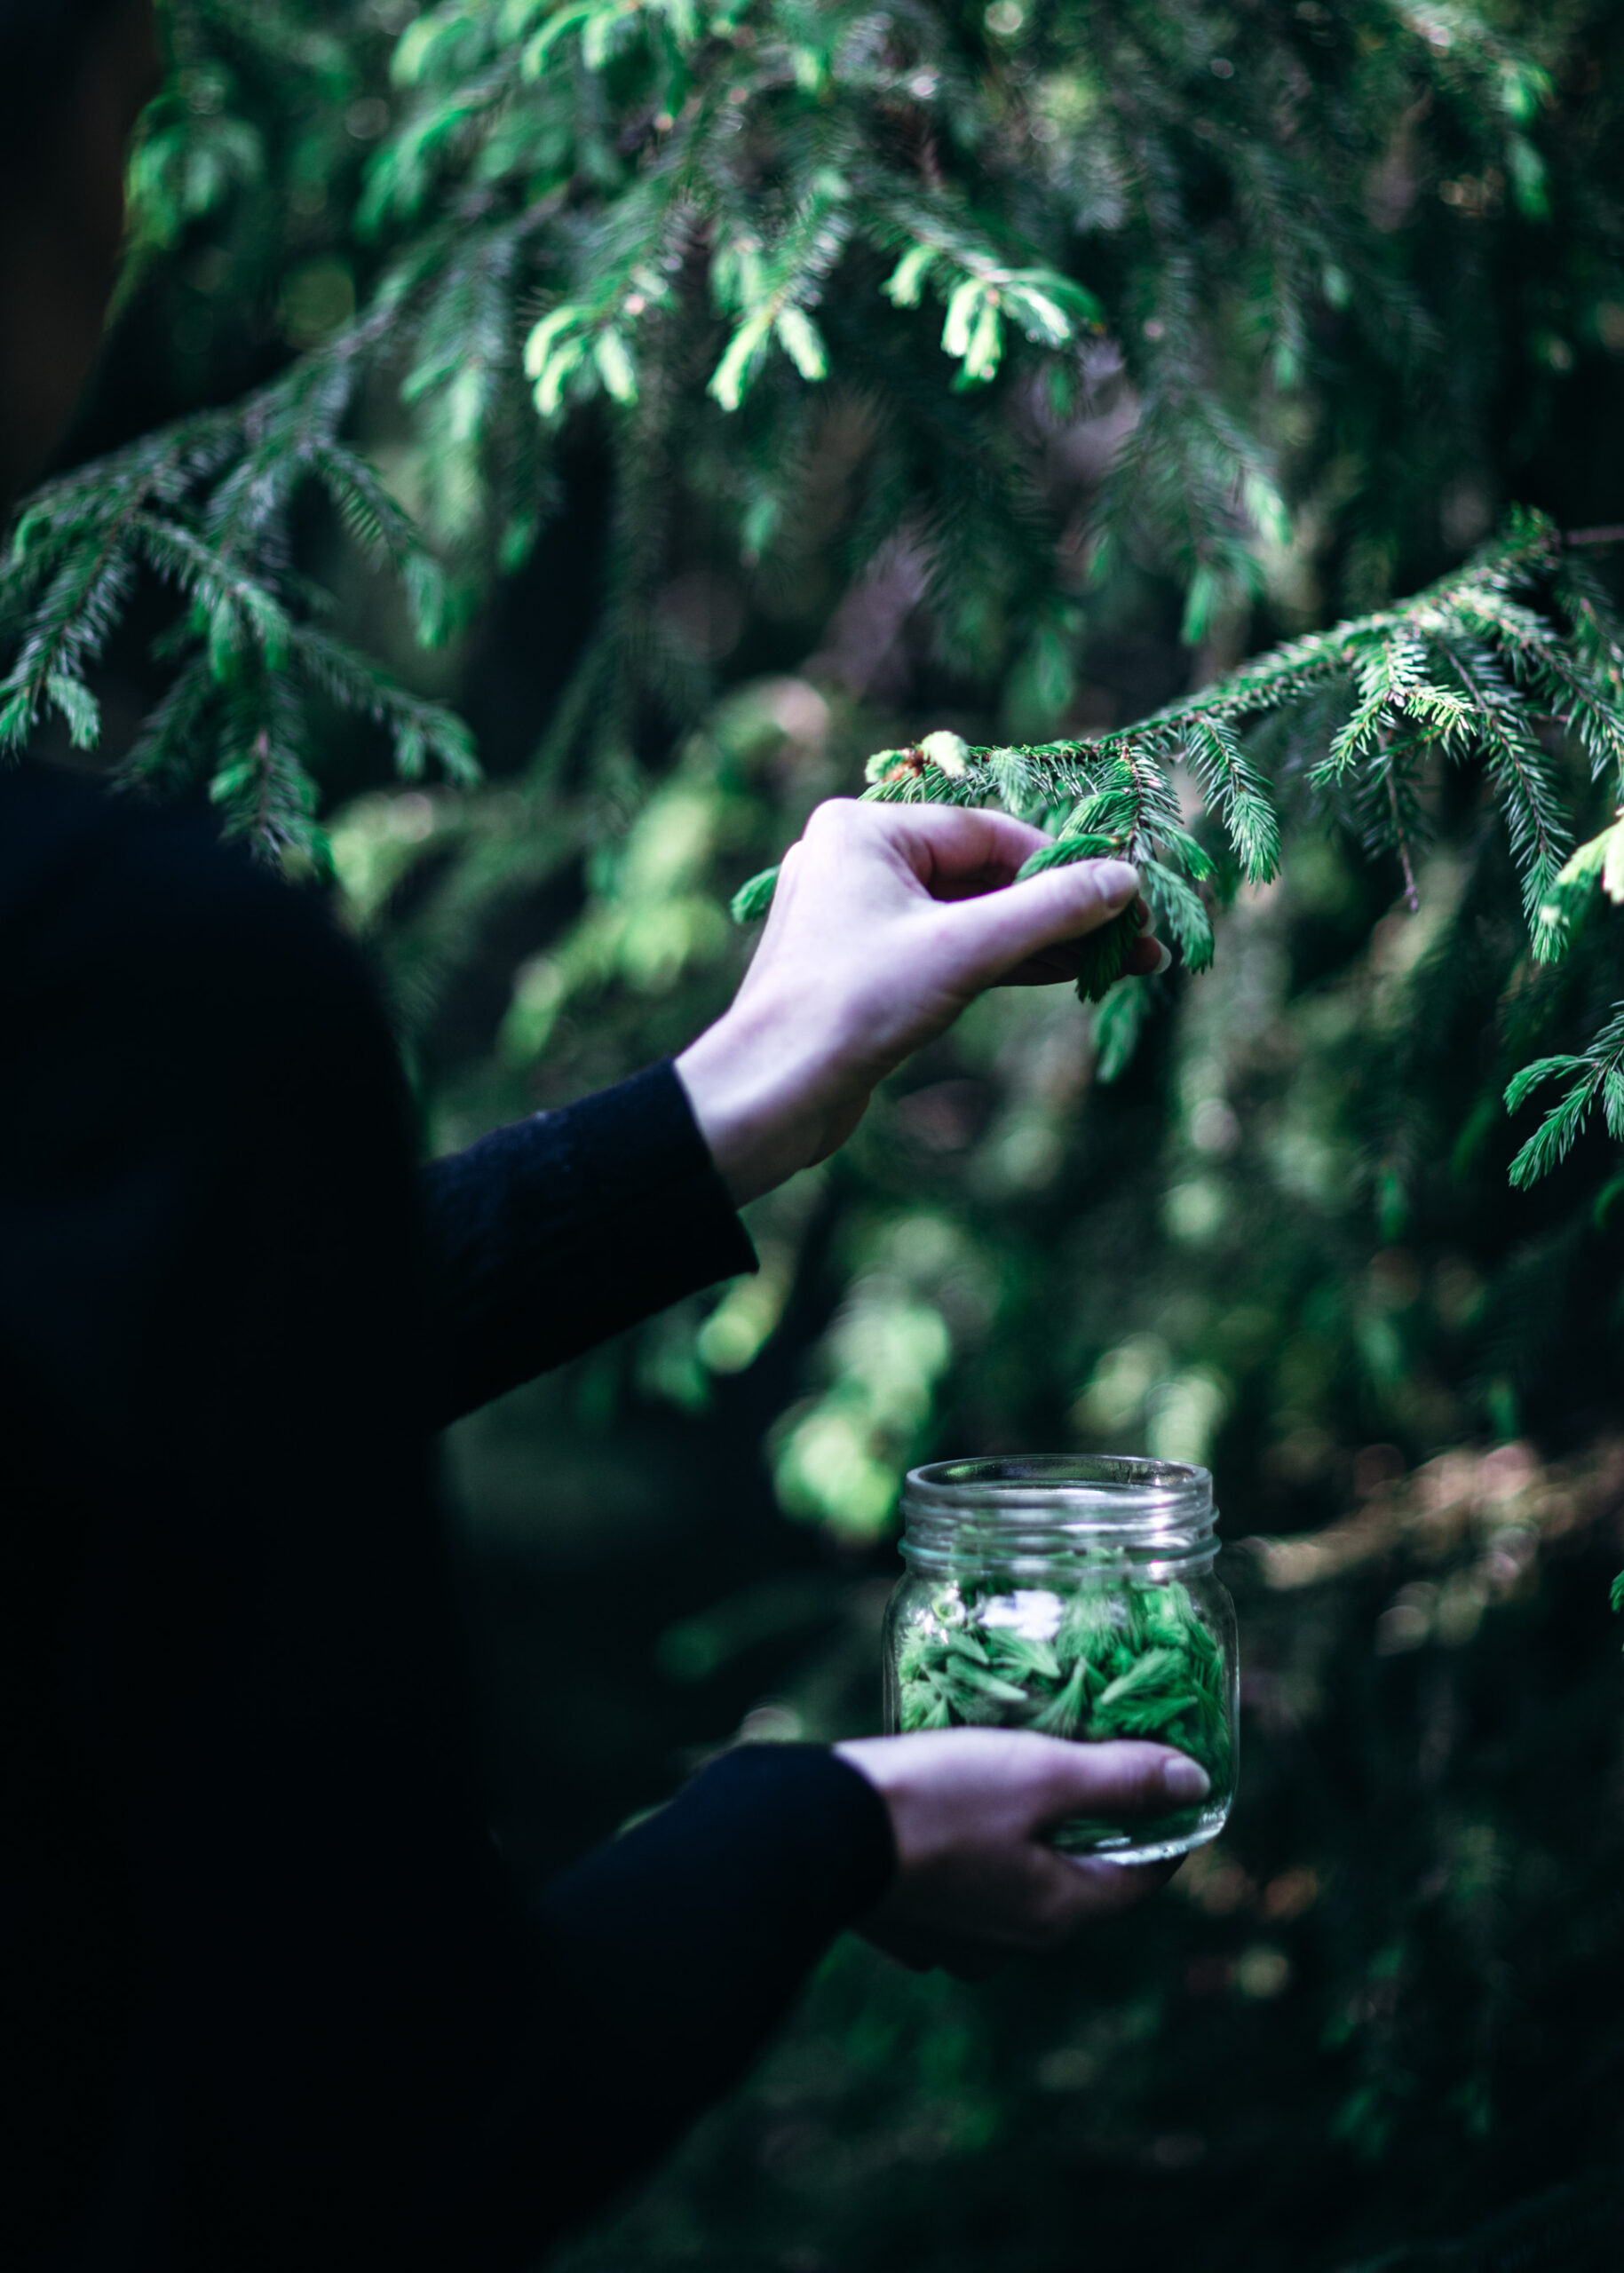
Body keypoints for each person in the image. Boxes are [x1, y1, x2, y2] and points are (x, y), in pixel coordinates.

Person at [0, 4, 1203, 2267]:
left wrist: (722, 1109)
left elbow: (118, 1368)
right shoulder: (134, 987)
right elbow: (394, 2124)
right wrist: (820, 1819)